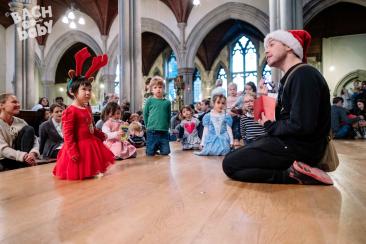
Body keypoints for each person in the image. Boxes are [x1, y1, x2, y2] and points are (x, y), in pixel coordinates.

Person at [223, 29, 333, 185]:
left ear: (289, 46)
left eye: (272, 45)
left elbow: (302, 126)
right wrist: (265, 101)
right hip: (289, 143)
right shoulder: (292, 76)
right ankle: (295, 170)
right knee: (231, 156)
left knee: (230, 165)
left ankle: (295, 174)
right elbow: (287, 115)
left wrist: (269, 126)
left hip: (301, 148)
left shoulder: (304, 75)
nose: (266, 51)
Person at [53, 48, 114, 180]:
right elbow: (68, 134)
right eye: (84, 89)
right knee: (81, 175)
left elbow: (90, 127)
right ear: (74, 92)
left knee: (92, 175)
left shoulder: (87, 108)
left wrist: (99, 134)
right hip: (78, 147)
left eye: (89, 89)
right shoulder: (70, 111)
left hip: (91, 146)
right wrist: (72, 151)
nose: (87, 92)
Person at [0, 93, 39, 171]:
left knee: (29, 129)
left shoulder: (21, 122)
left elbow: (34, 140)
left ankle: (25, 164)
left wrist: (33, 153)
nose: (18, 104)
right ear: (1, 105)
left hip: (21, 158)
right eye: (14, 102)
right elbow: (2, 149)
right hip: (3, 159)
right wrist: (24, 156)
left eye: (18, 102)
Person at [143, 76, 171, 156]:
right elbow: (145, 114)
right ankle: (153, 148)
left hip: (164, 131)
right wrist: (147, 125)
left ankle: (159, 147)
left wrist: (168, 126)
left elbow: (169, 115)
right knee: (150, 153)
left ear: (163, 89)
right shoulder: (149, 101)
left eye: (160, 87)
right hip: (152, 130)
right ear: (152, 89)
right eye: (155, 87)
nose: (158, 89)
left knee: (166, 152)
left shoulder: (167, 102)